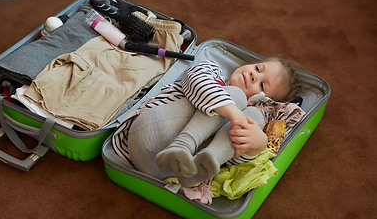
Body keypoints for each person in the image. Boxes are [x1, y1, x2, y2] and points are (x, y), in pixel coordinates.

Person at [112, 59, 300, 187]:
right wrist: (234, 113)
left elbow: (234, 159)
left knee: (254, 119)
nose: (254, 76)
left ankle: (207, 162)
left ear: (262, 98)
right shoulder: (210, 69)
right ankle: (182, 145)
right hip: (146, 133)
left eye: (261, 85)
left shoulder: (251, 110)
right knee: (235, 95)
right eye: (258, 68)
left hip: (176, 173)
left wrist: (256, 146)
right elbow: (197, 82)